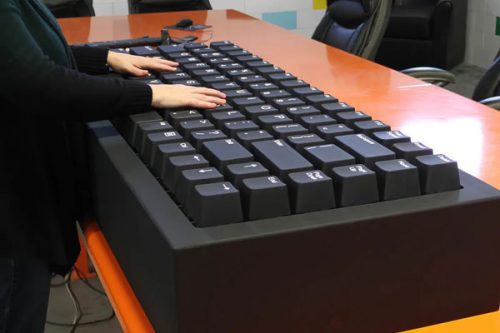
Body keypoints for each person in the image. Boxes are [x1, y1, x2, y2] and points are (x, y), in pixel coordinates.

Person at [0, 0, 226, 332]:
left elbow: (24, 53)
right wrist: (149, 95)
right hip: (11, 218)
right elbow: (37, 81)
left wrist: (106, 58)